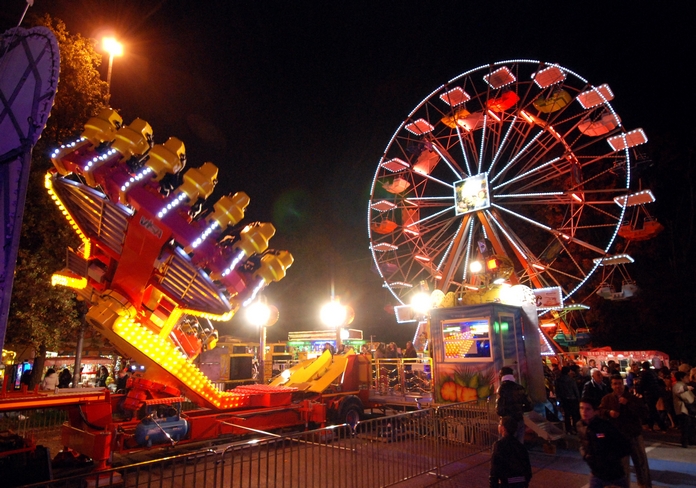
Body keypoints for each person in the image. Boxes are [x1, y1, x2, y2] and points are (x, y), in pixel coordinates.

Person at [599, 374, 652, 488]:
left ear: (623, 384)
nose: (618, 386)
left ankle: (644, 485)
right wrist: (609, 413)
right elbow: (600, 412)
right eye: (615, 384)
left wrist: (628, 403)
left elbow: (644, 413)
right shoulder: (607, 398)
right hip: (618, 437)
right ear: (611, 385)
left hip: (634, 434)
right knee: (622, 467)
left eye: (619, 383)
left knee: (641, 464)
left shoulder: (632, 397)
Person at [577, 396, 631, 488]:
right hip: (596, 474)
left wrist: (609, 458)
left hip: (614, 475)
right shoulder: (580, 425)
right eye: (581, 408)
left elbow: (625, 446)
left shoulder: (605, 426)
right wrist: (585, 455)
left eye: (588, 409)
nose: (584, 412)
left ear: (595, 411)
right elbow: (582, 442)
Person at [489, 416, 532, 488]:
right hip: (520, 484)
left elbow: (494, 470)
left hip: (506, 484)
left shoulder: (499, 446)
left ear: (503, 428)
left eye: (500, 424)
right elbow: (528, 471)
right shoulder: (521, 446)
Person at [496, 367, 533, 443]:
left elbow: (499, 409)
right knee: (519, 444)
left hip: (507, 422)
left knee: (505, 445)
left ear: (502, 376)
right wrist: (520, 409)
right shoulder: (519, 388)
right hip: (519, 419)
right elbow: (529, 406)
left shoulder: (501, 389)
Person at [637, 361, 667, 431]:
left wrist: (639, 391)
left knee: (652, 409)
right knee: (651, 409)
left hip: (649, 393)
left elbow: (642, 384)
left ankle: (661, 425)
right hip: (656, 392)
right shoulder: (653, 372)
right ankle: (651, 425)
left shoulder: (645, 373)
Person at [672, 371, 695, 448]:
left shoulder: (681, 385)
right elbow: (687, 398)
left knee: (688, 425)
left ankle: (690, 440)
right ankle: (685, 441)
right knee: (686, 426)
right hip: (683, 409)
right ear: (682, 378)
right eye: (686, 377)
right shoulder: (679, 385)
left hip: (683, 409)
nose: (688, 378)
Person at [555, 366, 581, 434]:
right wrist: (578, 399)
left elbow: (557, 391)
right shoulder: (571, 380)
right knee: (574, 415)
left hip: (564, 399)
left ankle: (568, 429)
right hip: (572, 399)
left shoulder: (558, 380)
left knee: (567, 415)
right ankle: (575, 429)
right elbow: (575, 390)